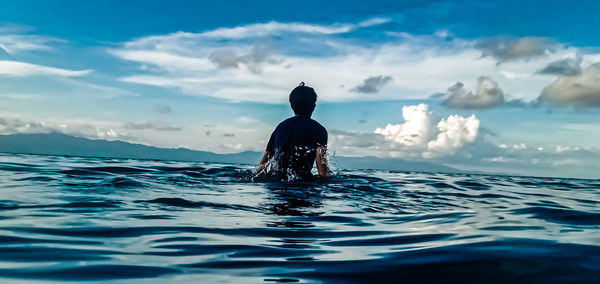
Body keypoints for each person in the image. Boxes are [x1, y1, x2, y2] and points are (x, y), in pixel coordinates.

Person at [258, 82, 328, 179]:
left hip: (277, 186)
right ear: (314, 106)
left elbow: (264, 163)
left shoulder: (280, 127)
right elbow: (322, 167)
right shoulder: (319, 130)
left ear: (291, 105)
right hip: (303, 185)